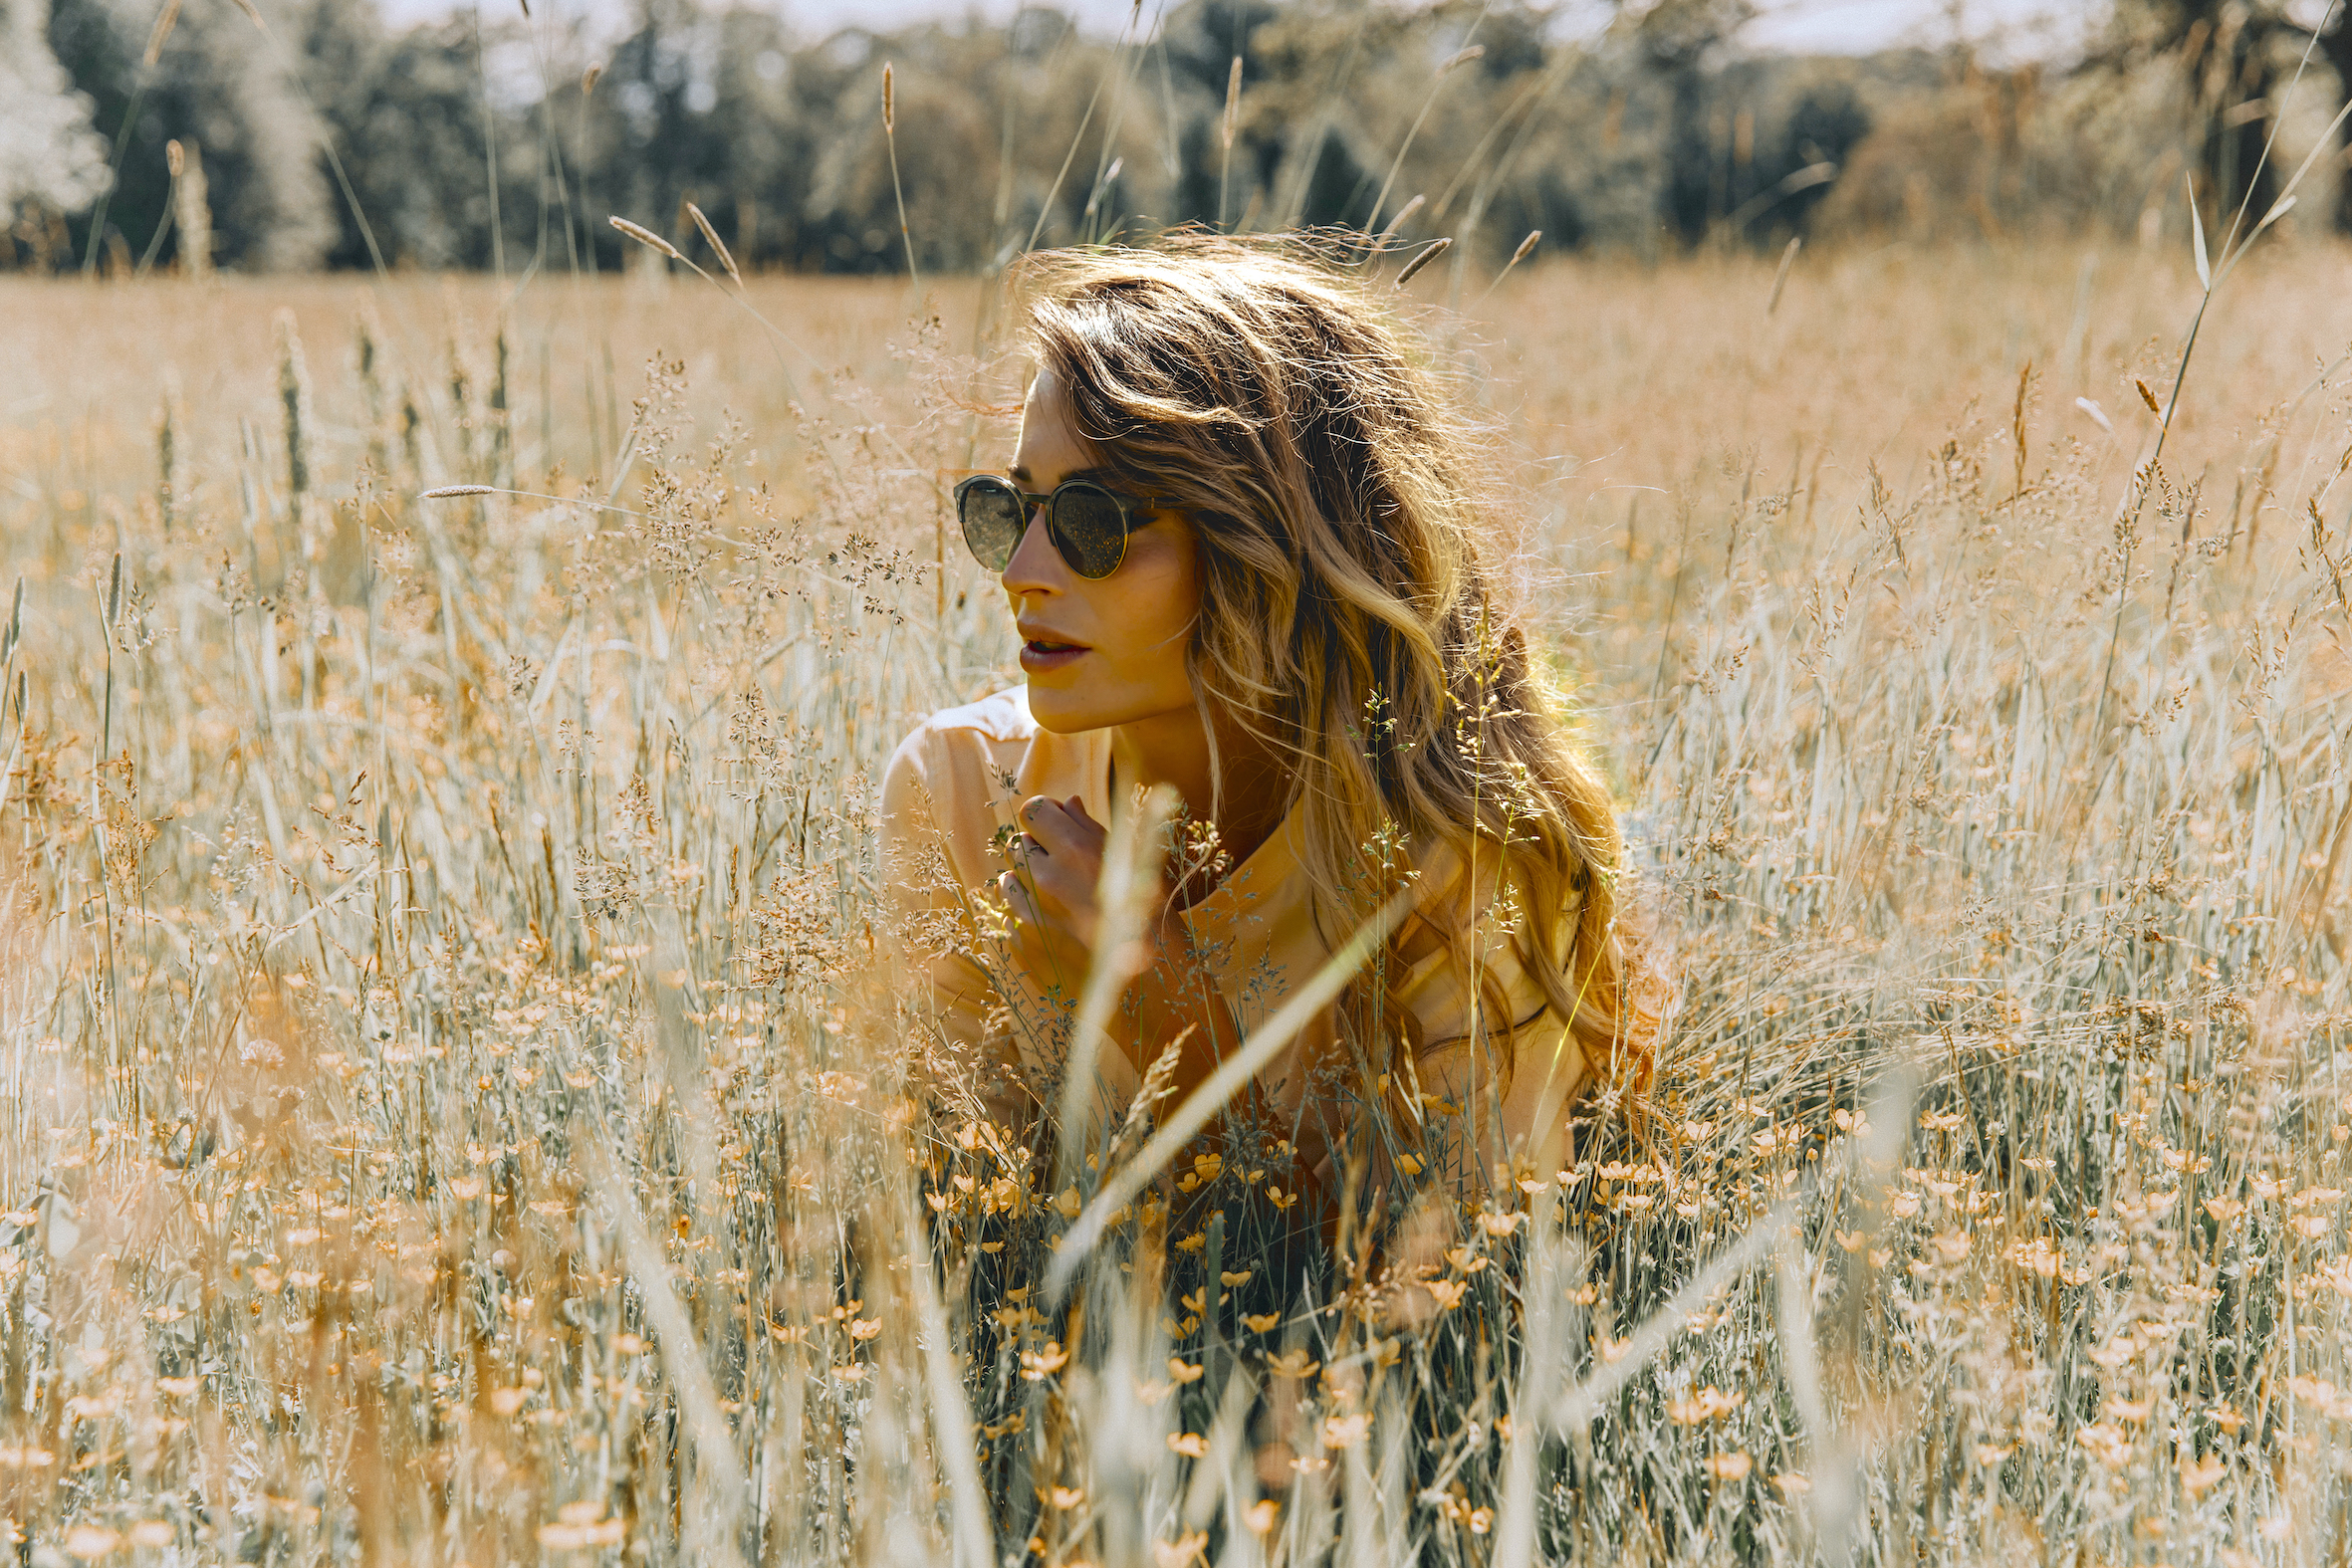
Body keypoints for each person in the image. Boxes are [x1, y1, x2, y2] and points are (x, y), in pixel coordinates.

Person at [880, 234, 1643, 1214]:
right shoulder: (957, 790)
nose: (1023, 569)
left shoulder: (1462, 850)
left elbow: (1467, 1292)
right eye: (1009, 509)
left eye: (1092, 521)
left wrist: (1169, 1017)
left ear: (1274, 548)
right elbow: (936, 1228)